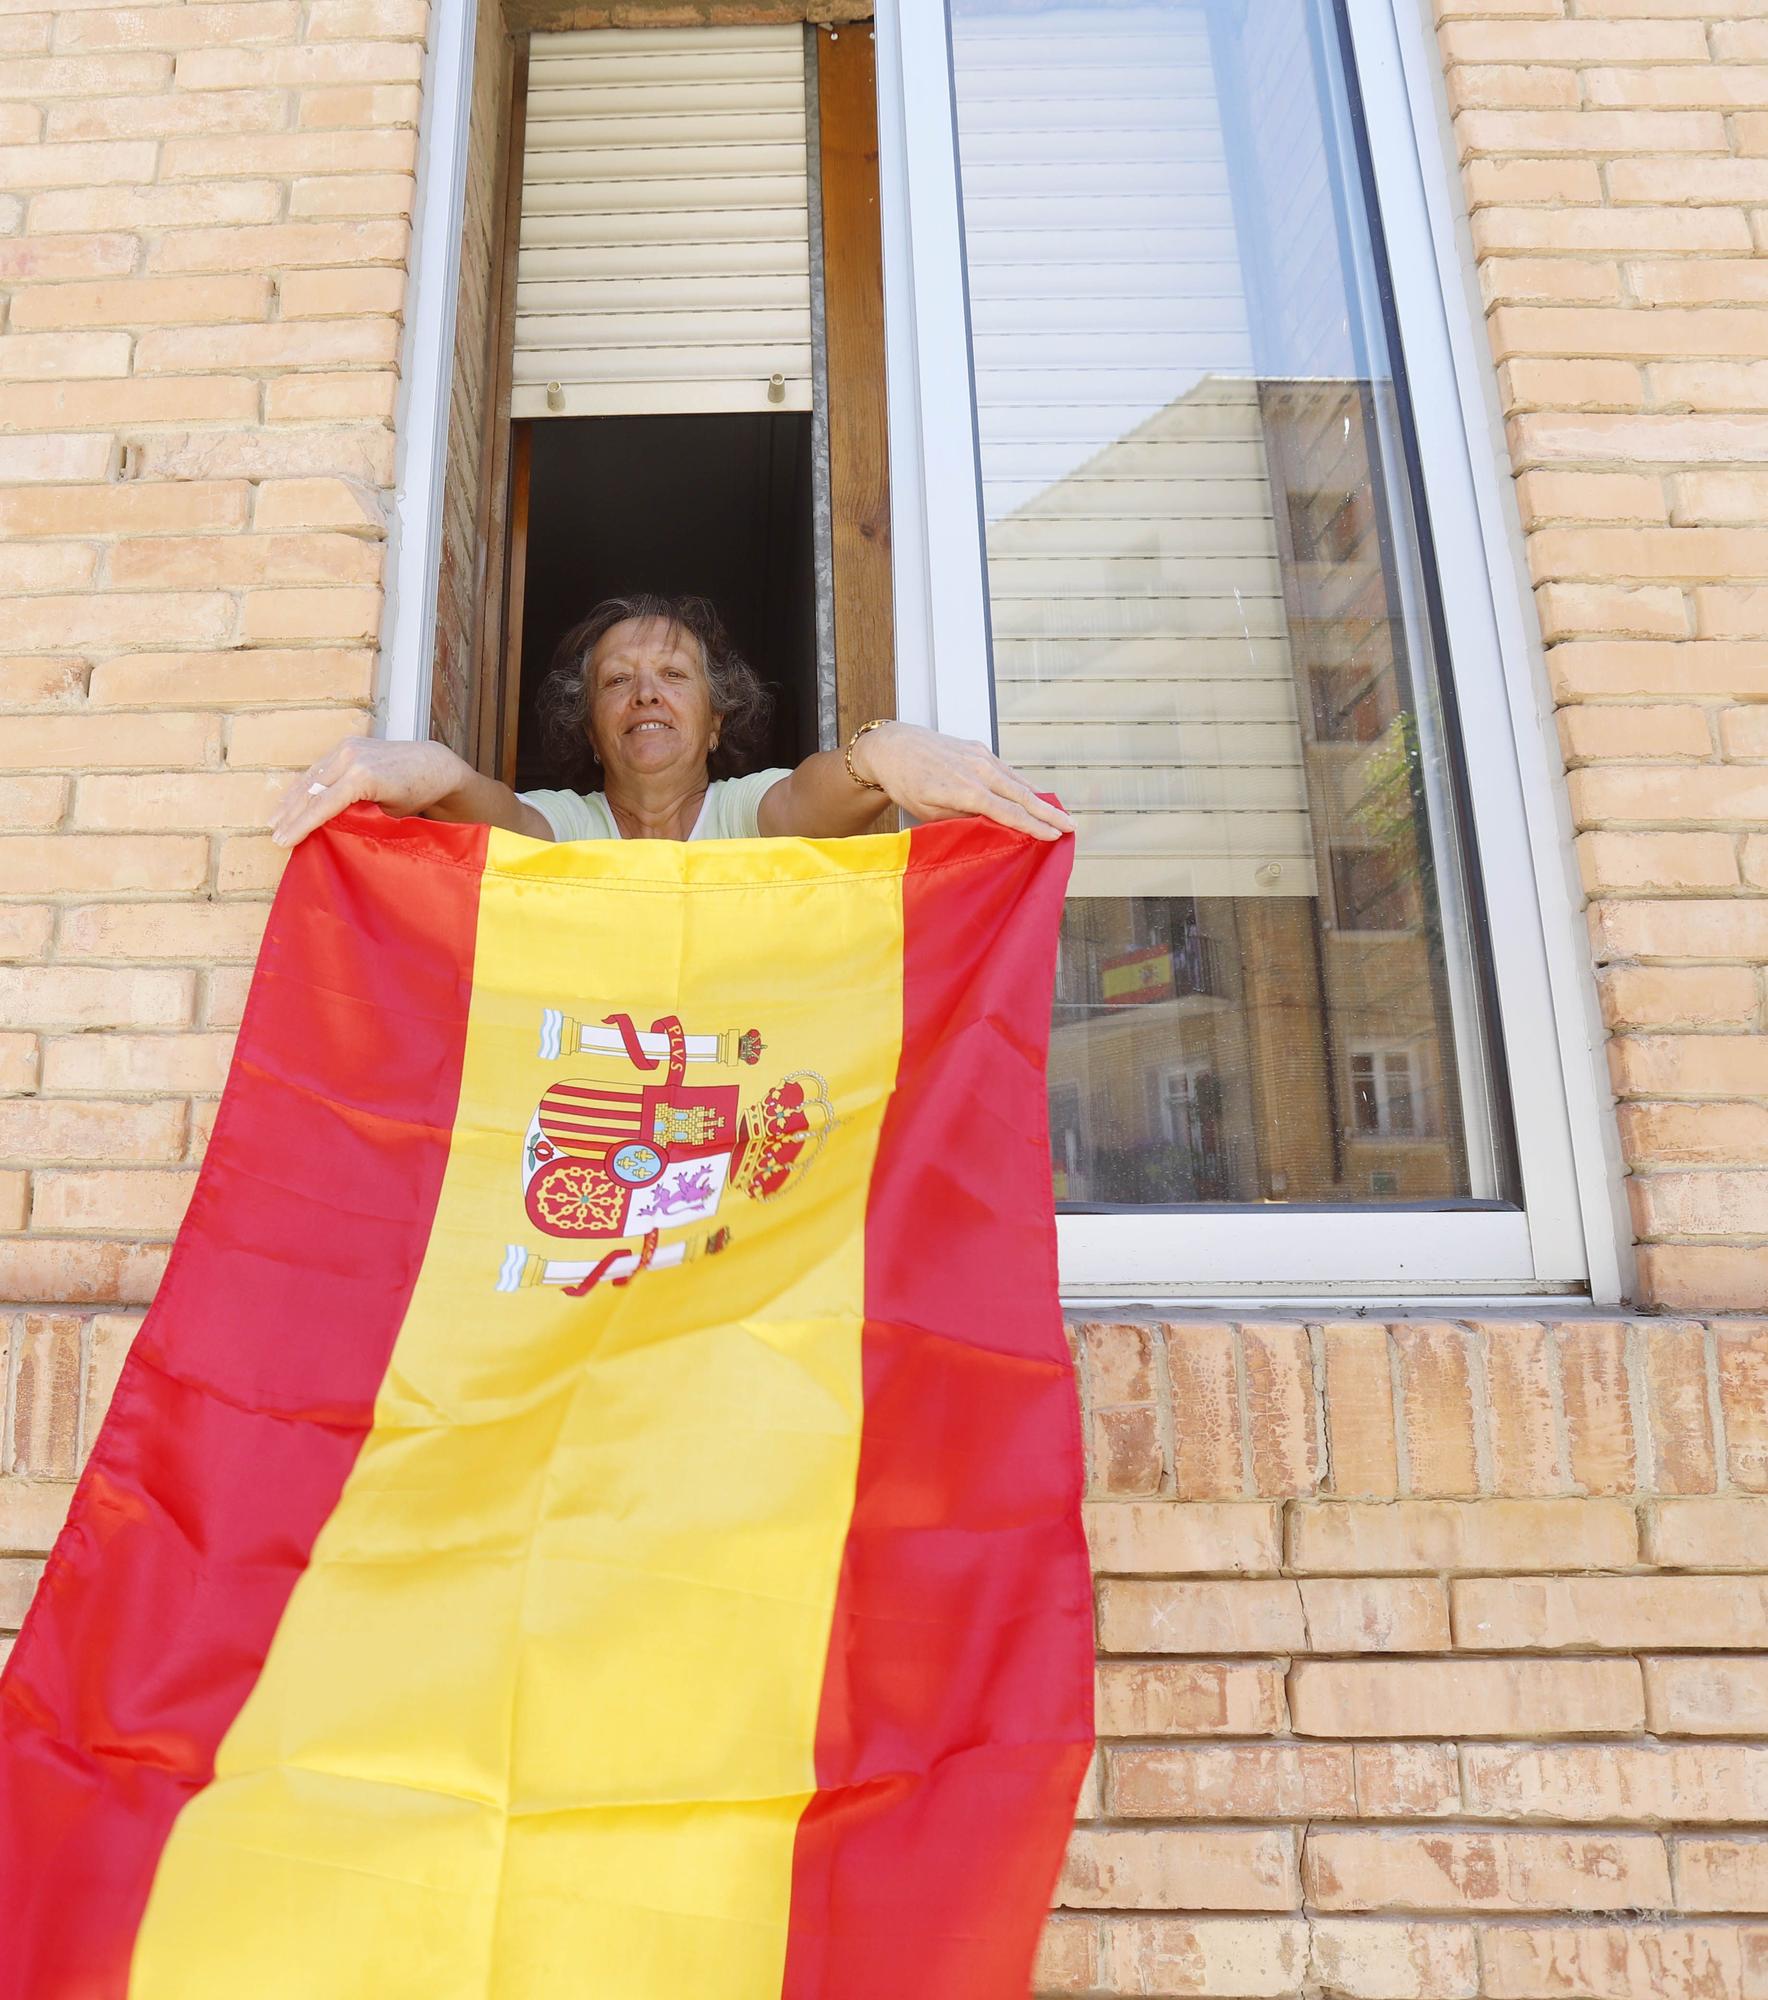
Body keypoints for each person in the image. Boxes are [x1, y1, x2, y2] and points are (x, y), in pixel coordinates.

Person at [271, 590, 1074, 850]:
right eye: (618, 681)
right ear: (591, 728)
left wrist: (884, 750)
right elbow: (500, 818)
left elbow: (808, 798)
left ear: (717, 722)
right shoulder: (565, 824)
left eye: (674, 676)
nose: (646, 694)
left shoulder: (741, 810)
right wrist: (437, 771)